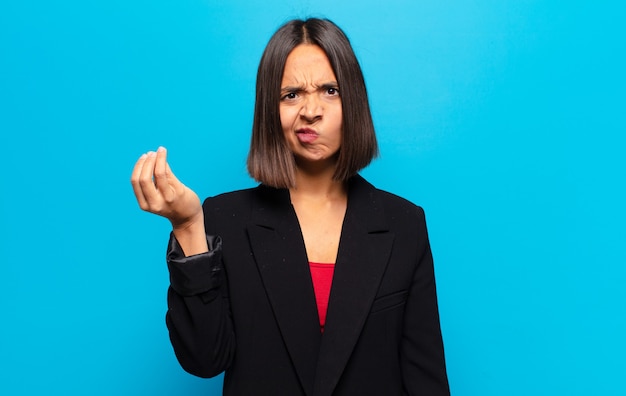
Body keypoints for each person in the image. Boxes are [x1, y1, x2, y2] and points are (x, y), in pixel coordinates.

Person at [131, 18, 450, 396]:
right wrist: (187, 226)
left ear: (354, 100)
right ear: (270, 109)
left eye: (330, 90)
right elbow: (204, 359)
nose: (310, 111)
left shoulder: (404, 224)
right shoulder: (223, 220)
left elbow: (425, 378)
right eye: (291, 95)